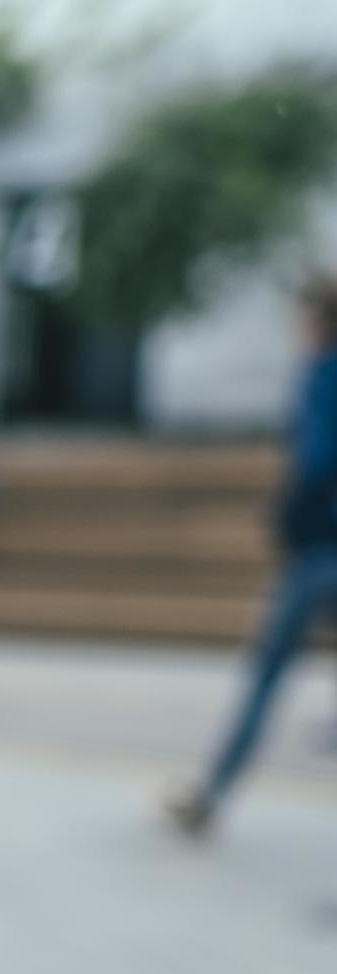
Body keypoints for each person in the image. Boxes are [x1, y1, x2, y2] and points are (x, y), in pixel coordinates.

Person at [169, 278, 337, 836]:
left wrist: (288, 521)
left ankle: (212, 795)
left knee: (268, 673)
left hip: (317, 550)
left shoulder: (320, 376)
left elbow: (314, 461)